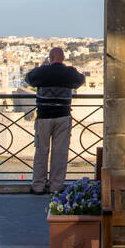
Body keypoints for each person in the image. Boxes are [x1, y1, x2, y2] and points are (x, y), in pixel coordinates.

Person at [23, 47, 86, 195]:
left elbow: (28, 78)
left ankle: (38, 185)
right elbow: (81, 80)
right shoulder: (69, 72)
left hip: (44, 116)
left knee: (41, 151)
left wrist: (42, 67)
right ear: (63, 58)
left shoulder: (42, 71)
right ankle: (56, 186)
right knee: (60, 153)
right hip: (63, 115)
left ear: (50, 58)